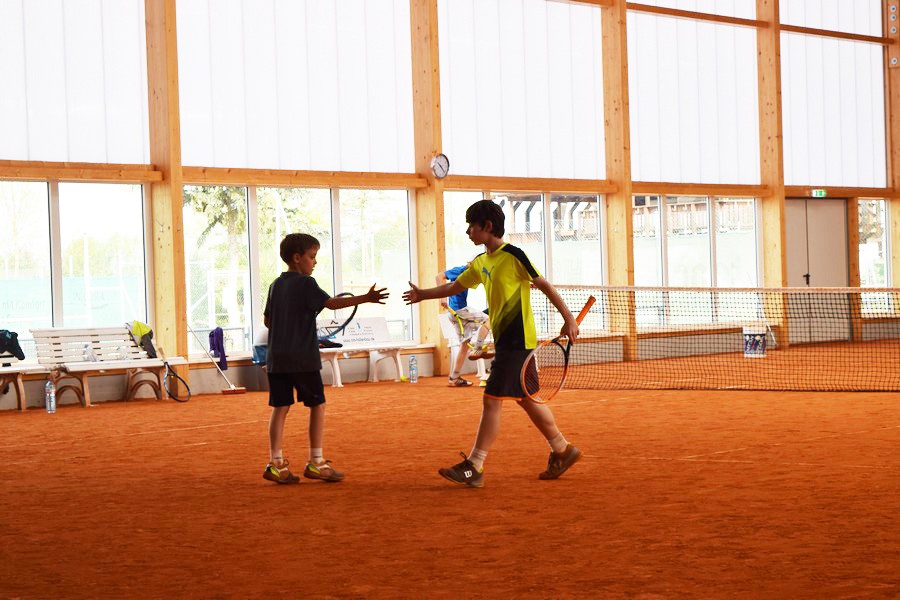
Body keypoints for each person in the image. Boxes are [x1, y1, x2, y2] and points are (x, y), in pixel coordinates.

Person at [404, 199, 582, 487]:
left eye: (470, 226)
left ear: (487, 227)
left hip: (517, 341)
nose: (467, 232)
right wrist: (423, 294)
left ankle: (474, 464)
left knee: (491, 400)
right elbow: (454, 286)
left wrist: (569, 319)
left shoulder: (513, 255)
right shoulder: (481, 262)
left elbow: (544, 285)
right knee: (526, 398)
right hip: (507, 341)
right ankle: (562, 449)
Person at [263, 232, 388, 484]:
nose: (315, 262)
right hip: (302, 358)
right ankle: (317, 461)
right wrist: (366, 298)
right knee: (317, 405)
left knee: (280, 407)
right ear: (297, 258)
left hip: (277, 358)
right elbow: (330, 304)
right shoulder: (306, 284)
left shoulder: (275, 285)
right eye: (312, 257)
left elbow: (268, 320)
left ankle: (276, 463)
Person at [436, 264, 492, 387]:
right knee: (490, 319)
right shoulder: (460, 270)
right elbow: (439, 276)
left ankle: (454, 378)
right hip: (460, 311)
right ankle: (477, 348)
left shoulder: (472, 274)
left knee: (464, 345)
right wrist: (442, 298)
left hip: (455, 313)